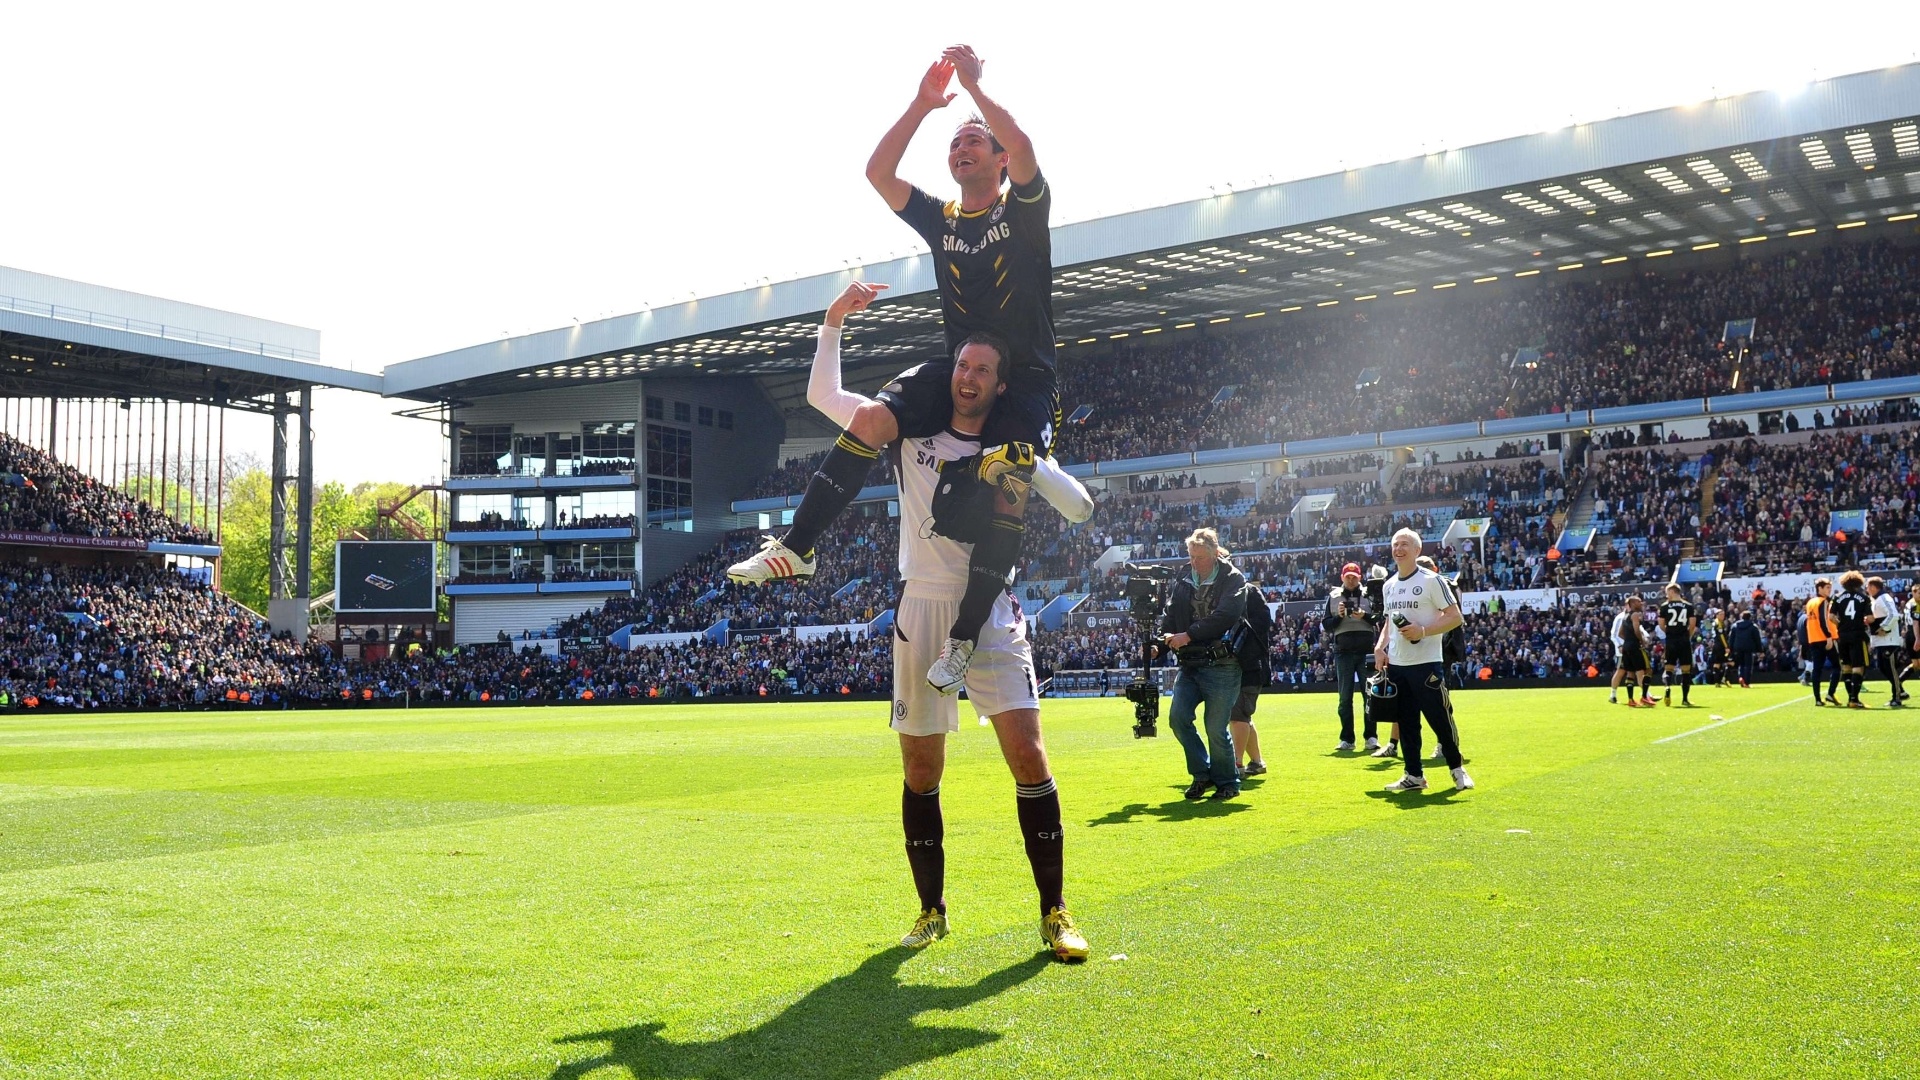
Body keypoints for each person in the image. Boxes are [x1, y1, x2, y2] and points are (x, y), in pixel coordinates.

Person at [728, 46, 1085, 699]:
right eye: (954, 143)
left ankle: (965, 635)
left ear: (1000, 159)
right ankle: (799, 546)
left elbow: (1025, 142)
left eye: (975, 139)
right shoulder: (941, 220)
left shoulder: (1025, 213)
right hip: (961, 369)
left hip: (1027, 379)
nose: (961, 147)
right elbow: (877, 170)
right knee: (869, 417)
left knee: (1003, 479)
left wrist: (975, 88)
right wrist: (925, 104)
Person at [801, 280, 1087, 962]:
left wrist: (1038, 463)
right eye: (962, 365)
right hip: (920, 604)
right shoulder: (911, 426)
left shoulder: (1011, 444)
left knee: (1030, 755)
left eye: (983, 370)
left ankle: (1055, 912)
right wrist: (833, 325)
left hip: (990, 610)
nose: (968, 377)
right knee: (922, 769)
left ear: (999, 385)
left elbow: (1078, 505)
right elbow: (827, 401)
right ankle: (931, 911)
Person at [1374, 528, 1473, 793]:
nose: (1399, 548)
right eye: (1395, 544)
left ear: (1417, 551)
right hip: (1398, 664)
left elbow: (1455, 617)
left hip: (1427, 663)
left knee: (1440, 718)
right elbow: (1388, 621)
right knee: (1406, 722)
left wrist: (1424, 631)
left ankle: (1457, 768)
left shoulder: (1432, 581)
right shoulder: (1389, 585)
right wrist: (1380, 647)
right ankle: (1413, 775)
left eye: (1405, 544)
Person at [1160, 528, 1248, 801]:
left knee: (1215, 726)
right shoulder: (1184, 576)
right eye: (1191, 555)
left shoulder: (1233, 578)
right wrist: (1161, 639)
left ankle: (1227, 782)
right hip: (1190, 663)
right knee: (1178, 719)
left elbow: (1225, 616)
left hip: (1222, 663)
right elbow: (1171, 611)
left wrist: (1189, 634)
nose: (1194, 562)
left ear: (1213, 553)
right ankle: (1202, 774)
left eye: (1199, 557)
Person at [1323, 561, 1382, 752]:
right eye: (1347, 576)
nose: (1350, 580)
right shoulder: (1333, 597)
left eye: (1354, 577)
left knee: (1370, 697)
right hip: (1343, 653)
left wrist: (1363, 615)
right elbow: (1327, 625)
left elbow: (1379, 618)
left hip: (1367, 652)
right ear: (1341, 577)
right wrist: (1340, 616)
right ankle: (1347, 738)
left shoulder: (1370, 595)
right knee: (1344, 698)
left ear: (1359, 578)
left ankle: (1371, 737)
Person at [1230, 578, 1273, 778]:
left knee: (1237, 715)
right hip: (1240, 665)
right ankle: (1257, 762)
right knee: (1242, 715)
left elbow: (1264, 622)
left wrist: (1236, 624)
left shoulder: (1250, 592)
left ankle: (1236, 764)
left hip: (1249, 665)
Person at [1829, 570, 1874, 710]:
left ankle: (1851, 698)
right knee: (1858, 667)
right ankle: (1854, 699)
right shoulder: (1864, 597)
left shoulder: (1837, 597)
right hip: (1857, 634)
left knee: (1846, 667)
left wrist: (1841, 624)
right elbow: (1870, 618)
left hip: (1842, 635)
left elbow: (1830, 617)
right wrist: (1863, 621)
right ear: (1858, 582)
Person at [1657, 583, 1699, 707]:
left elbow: (1661, 625)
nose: (1666, 594)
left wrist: (1669, 633)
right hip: (1684, 640)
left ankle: (1667, 687)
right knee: (1686, 670)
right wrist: (1687, 636)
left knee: (1668, 668)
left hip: (1671, 640)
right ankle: (1685, 699)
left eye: (1667, 592)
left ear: (1673, 592)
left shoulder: (1664, 606)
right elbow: (1692, 625)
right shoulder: (1688, 606)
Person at [1866, 577, 1904, 708]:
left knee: (1890, 668)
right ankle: (1901, 690)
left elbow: (1893, 614)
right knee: (1883, 667)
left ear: (1874, 587)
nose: (1867, 589)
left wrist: (1883, 627)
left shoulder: (1884, 597)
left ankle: (1897, 697)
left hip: (1889, 640)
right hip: (1881, 641)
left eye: (1868, 586)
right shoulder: (1875, 600)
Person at [1610, 596, 1654, 707]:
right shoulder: (1633, 615)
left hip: (1626, 647)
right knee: (1644, 671)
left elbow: (1621, 633)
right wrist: (1641, 641)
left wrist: (1628, 640)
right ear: (1632, 603)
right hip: (1632, 647)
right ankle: (1645, 696)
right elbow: (1635, 630)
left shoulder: (1625, 616)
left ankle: (1631, 699)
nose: (1641, 604)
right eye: (1639, 602)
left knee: (1630, 673)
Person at [1805, 578, 1839, 705]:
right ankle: (1830, 693)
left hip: (1813, 639)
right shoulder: (1823, 601)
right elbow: (1823, 621)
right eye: (1827, 588)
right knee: (1837, 667)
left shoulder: (1810, 602)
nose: (1829, 590)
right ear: (1819, 588)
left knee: (1817, 669)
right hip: (1825, 639)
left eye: (1830, 588)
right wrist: (1829, 636)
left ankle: (1817, 699)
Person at [1729, 607, 1763, 688]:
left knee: (1741, 664)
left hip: (1738, 648)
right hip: (1749, 648)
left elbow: (1731, 638)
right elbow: (1757, 639)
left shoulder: (1735, 626)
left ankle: (1741, 677)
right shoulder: (1753, 626)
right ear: (1750, 617)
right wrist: (1760, 650)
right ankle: (1746, 682)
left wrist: (1730, 648)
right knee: (1748, 665)